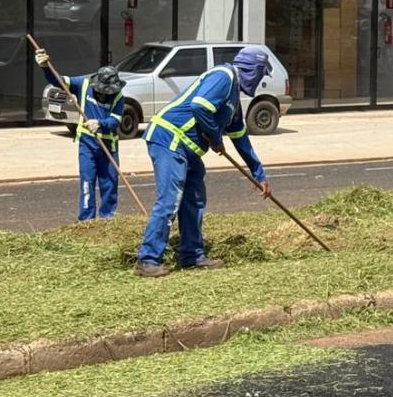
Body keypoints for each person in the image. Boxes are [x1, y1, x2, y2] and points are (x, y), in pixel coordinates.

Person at [133, 47, 273, 278]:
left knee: (195, 199)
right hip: (170, 138)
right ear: (253, 70)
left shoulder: (233, 100)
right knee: (170, 199)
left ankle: (192, 256)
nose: (259, 80)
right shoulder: (224, 76)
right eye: (260, 74)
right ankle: (147, 259)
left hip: (188, 149)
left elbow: (240, 137)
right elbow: (200, 106)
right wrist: (216, 138)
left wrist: (259, 174)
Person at [35, 48, 125, 222]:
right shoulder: (83, 85)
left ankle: (108, 219)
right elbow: (59, 81)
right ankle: (87, 220)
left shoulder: (118, 96)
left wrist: (100, 123)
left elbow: (115, 121)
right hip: (87, 145)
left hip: (109, 147)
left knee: (109, 184)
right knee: (87, 182)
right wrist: (46, 67)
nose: (105, 94)